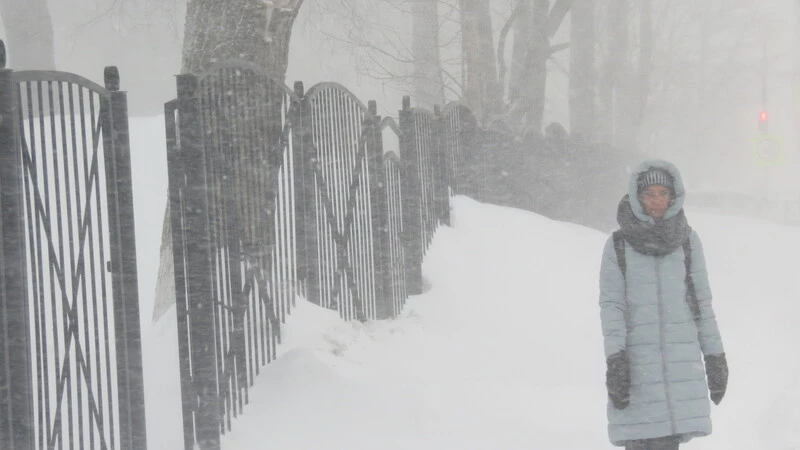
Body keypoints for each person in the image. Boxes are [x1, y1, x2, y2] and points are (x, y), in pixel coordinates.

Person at [598, 159, 728, 449]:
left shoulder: (688, 242)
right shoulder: (618, 245)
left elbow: (702, 306)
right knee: (639, 437)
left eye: (662, 193)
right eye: (649, 194)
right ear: (637, 197)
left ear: (673, 196)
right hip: (637, 369)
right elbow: (612, 306)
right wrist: (616, 358)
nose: (656, 201)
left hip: (678, 369)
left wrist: (715, 356)